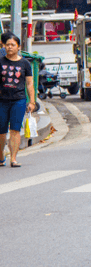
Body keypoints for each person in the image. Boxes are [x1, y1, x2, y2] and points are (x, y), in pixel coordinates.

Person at [0, 33, 36, 167]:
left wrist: (32, 102)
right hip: (2, 100)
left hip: (19, 100)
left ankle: (13, 158)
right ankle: (1, 155)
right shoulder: (0, 61)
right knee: (1, 131)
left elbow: (30, 84)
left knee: (15, 129)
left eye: (12, 45)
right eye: (7, 45)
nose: (9, 47)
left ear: (18, 47)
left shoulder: (25, 63)